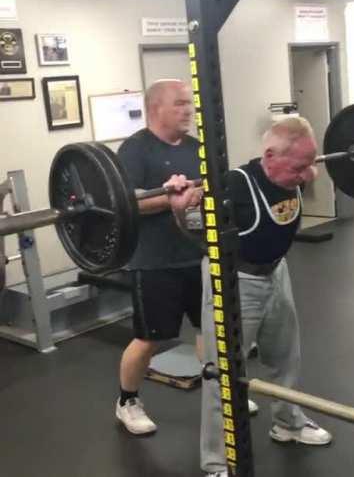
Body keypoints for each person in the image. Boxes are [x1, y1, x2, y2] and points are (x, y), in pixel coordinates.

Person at [165, 117, 333, 477]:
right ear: (269, 156)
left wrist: (303, 169)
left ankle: (287, 422)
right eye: (299, 167)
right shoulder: (234, 188)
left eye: (310, 163)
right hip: (234, 281)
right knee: (221, 372)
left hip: (277, 272)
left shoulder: (295, 173)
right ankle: (215, 462)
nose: (307, 175)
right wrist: (181, 209)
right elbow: (199, 237)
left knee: (285, 357)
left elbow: (301, 178)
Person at [115, 79, 204, 435]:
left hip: (196, 254)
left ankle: (223, 392)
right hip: (153, 261)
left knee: (210, 330)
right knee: (150, 338)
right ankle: (127, 401)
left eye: (189, 103)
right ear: (156, 108)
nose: (189, 110)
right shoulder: (134, 151)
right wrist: (172, 199)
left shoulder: (197, 146)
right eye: (180, 103)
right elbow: (128, 204)